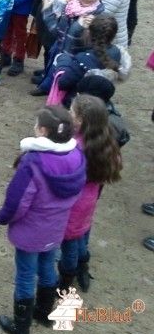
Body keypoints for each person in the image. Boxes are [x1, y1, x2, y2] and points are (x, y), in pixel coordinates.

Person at [0, 106, 86, 334]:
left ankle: (21, 326)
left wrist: (1, 218)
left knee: (25, 275)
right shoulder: (77, 155)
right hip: (56, 228)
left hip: (30, 232)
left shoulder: (33, 161)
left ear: (43, 131)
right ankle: (44, 313)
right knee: (47, 268)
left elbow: (17, 203)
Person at [58, 95, 122, 295]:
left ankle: (65, 282)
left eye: (71, 113)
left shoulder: (75, 148)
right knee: (82, 235)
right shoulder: (106, 143)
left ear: (80, 121)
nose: (68, 115)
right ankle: (83, 269)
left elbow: (62, 176)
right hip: (89, 203)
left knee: (68, 245)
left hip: (72, 206)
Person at [32, 0, 106, 96]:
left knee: (68, 88)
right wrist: (48, 11)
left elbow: (88, 44)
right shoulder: (71, 8)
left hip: (77, 60)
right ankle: (47, 87)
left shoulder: (98, 17)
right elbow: (57, 31)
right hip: (61, 51)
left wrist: (81, 27)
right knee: (53, 71)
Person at [50, 15, 124, 108]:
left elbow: (63, 83)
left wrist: (63, 61)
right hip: (100, 102)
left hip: (77, 103)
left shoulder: (83, 60)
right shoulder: (116, 52)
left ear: (89, 33)